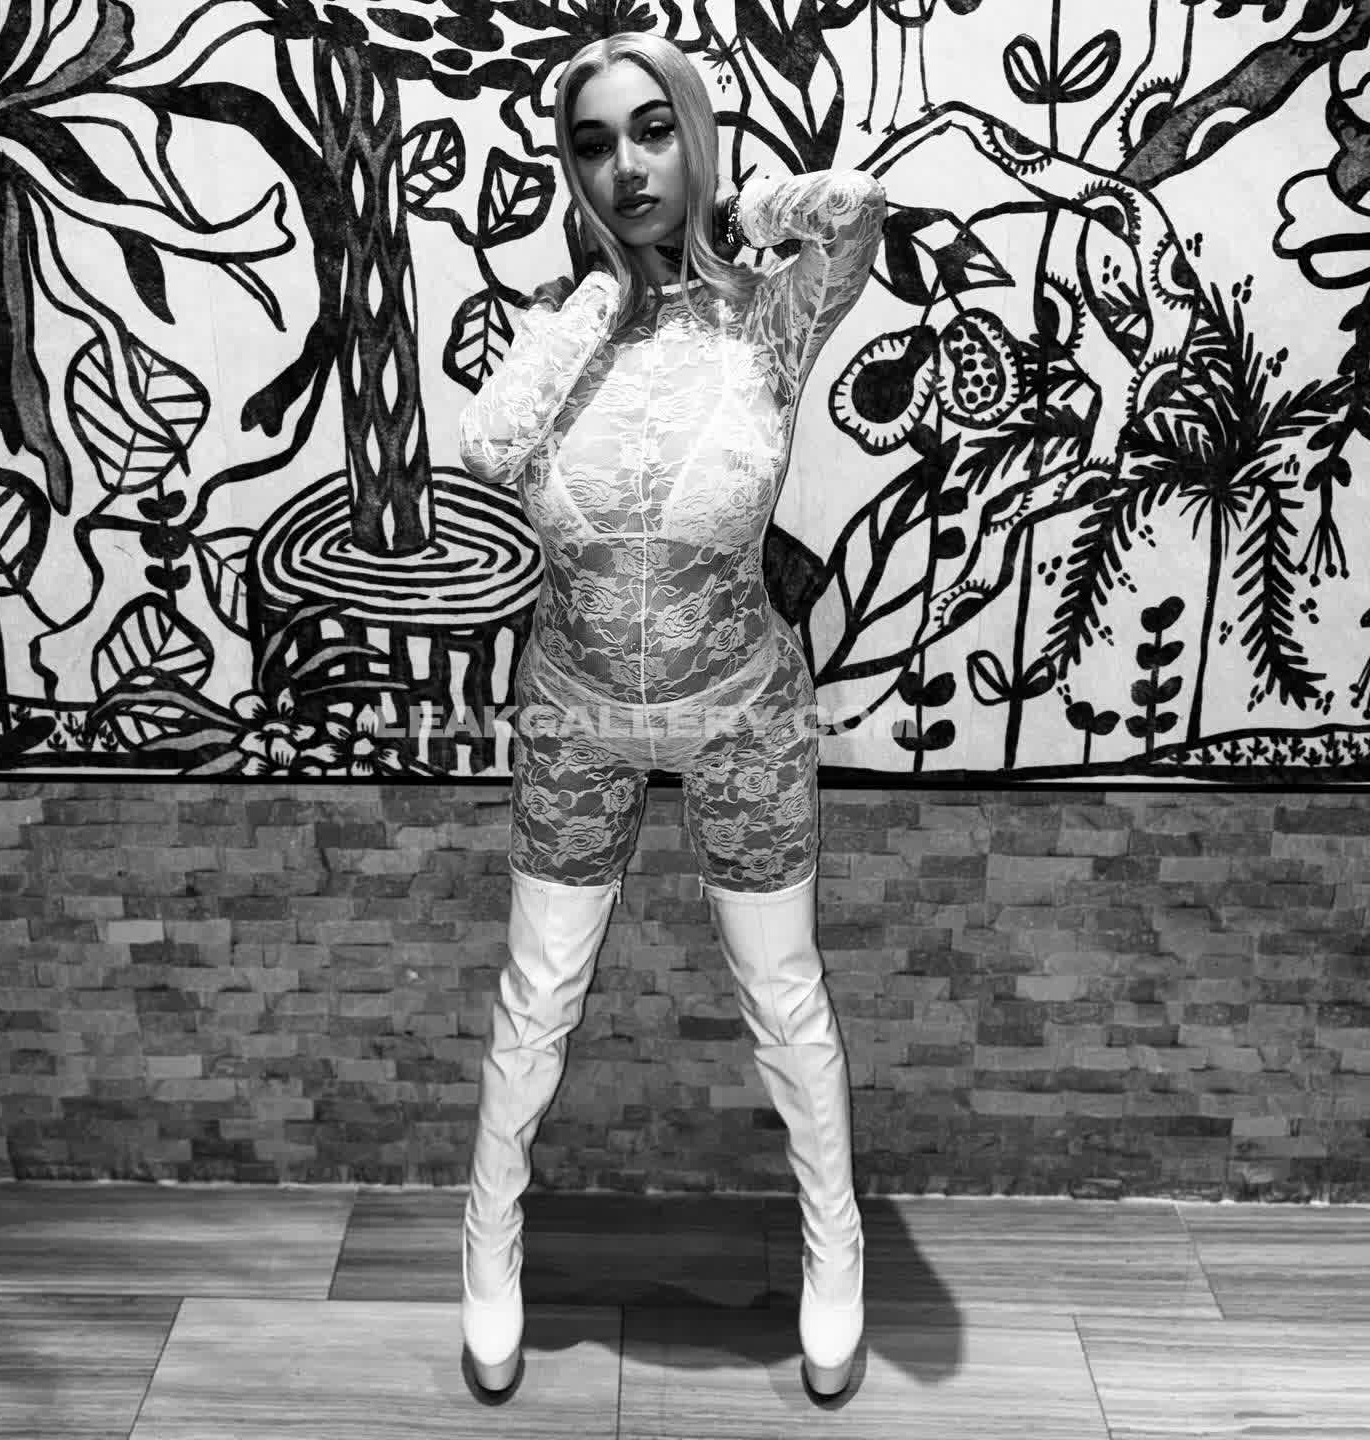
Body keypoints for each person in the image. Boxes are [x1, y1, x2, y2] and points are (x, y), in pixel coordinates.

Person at [456, 30, 886, 1402]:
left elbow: (856, 211)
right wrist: (593, 310)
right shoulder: (558, 330)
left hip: (743, 710)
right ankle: (487, 1248)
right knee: (535, 999)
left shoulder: (770, 315)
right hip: (574, 713)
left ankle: (835, 1254)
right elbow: (487, 447)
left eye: (654, 130)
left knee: (785, 996)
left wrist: (743, 208)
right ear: (569, 168)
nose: (626, 167)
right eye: (593, 143)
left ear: (693, 136)